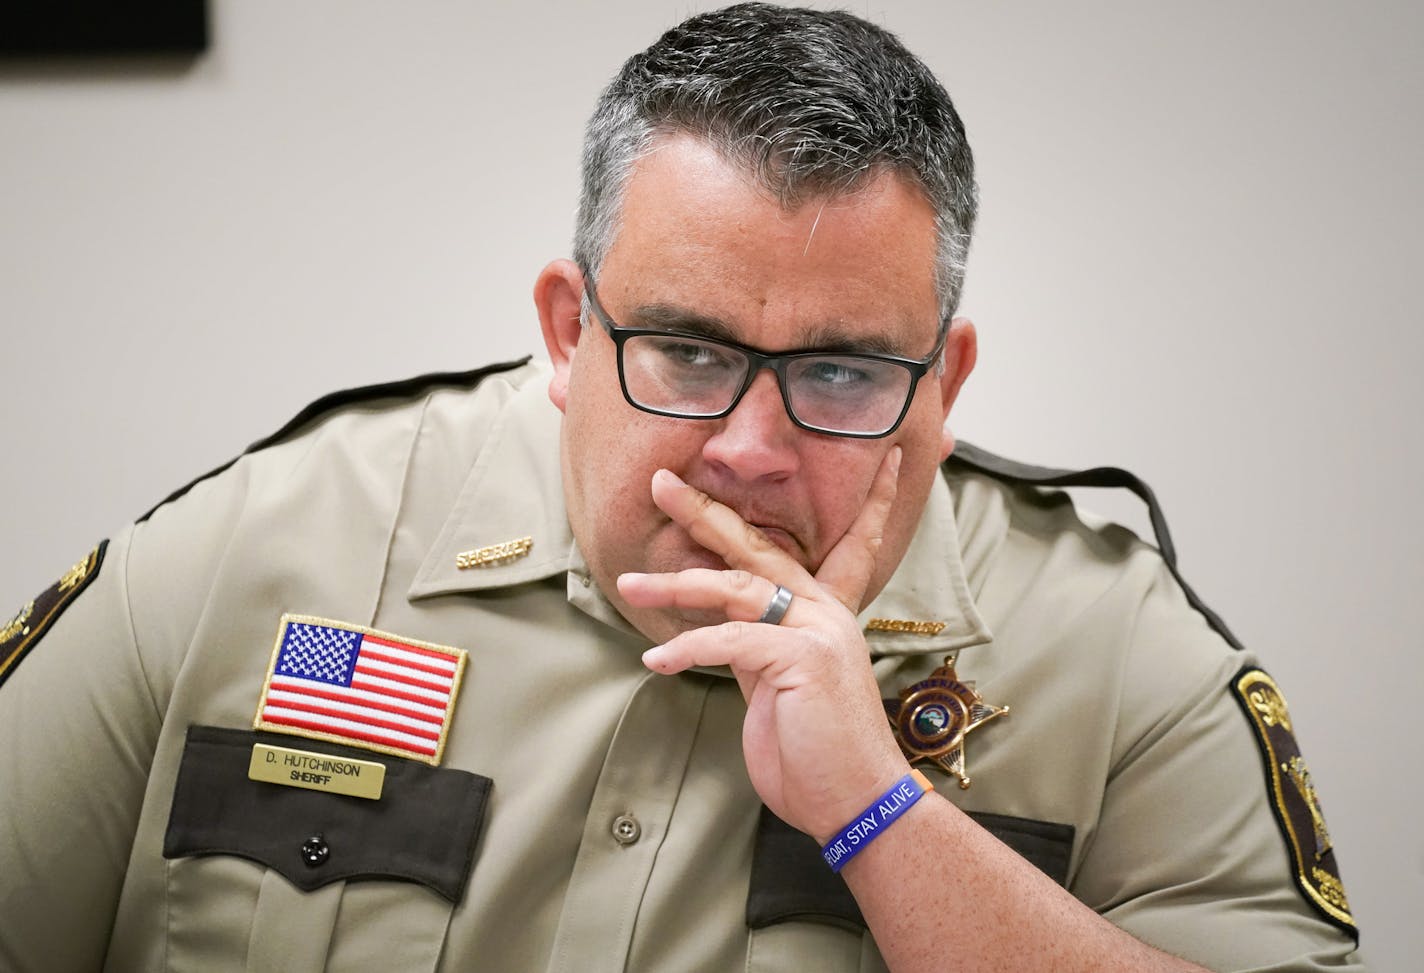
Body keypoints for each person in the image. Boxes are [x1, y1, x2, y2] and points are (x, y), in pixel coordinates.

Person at [0, 4, 1364, 971]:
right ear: (565, 328)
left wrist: (879, 812)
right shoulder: (259, 553)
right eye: (692, 351)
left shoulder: (1124, 665)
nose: (752, 449)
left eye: (838, 373)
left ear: (941, 382)